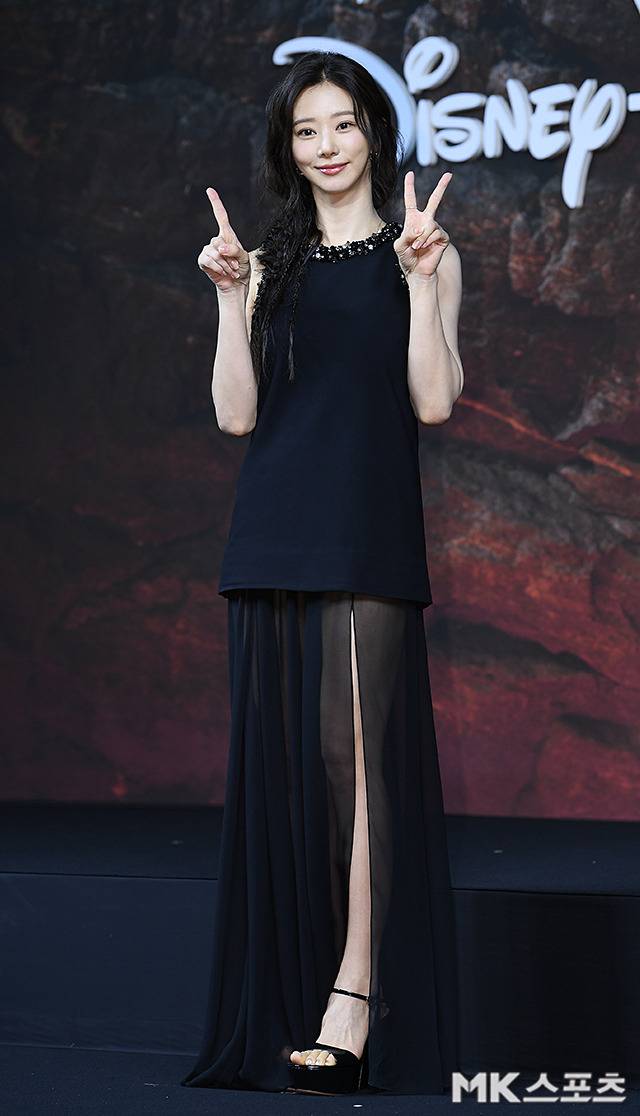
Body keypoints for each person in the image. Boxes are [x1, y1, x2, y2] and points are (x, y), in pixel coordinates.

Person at [181, 50, 464, 1097]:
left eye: (343, 123)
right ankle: (300, 982)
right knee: (292, 764)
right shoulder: (262, 264)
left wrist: (423, 287)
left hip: (366, 521)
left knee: (353, 755)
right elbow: (237, 416)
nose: (327, 145)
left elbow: (433, 401)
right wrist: (229, 299)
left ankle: (356, 992)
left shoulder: (421, 250)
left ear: (374, 133)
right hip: (274, 526)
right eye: (306, 130)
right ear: (286, 149)